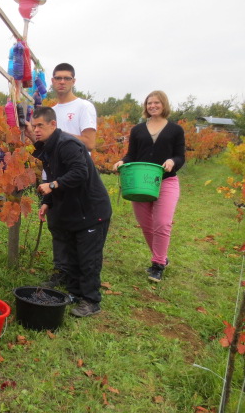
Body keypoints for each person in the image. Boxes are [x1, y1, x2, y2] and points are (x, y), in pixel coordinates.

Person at [26, 107, 111, 317]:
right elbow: (54, 173)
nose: (36, 130)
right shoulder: (49, 147)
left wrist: (53, 186)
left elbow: (80, 172)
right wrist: (47, 201)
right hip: (74, 209)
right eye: (33, 126)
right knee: (72, 253)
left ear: (53, 124)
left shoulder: (67, 144)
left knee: (88, 258)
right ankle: (74, 293)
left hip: (91, 210)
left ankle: (91, 301)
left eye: (40, 126)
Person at [113, 91, 185, 282]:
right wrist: (122, 162)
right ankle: (161, 256)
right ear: (146, 106)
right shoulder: (137, 130)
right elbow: (132, 156)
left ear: (164, 105)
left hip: (166, 181)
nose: (153, 106)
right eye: (149, 103)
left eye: (156, 103)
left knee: (162, 223)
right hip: (140, 182)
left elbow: (180, 156)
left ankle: (158, 264)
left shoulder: (175, 130)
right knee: (146, 224)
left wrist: (172, 161)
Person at [43, 63, 98, 288]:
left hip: (75, 176)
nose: (62, 82)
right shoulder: (51, 110)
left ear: (74, 81)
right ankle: (62, 271)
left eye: (66, 78)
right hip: (52, 174)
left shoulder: (84, 107)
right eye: (58, 78)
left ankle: (77, 276)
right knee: (57, 225)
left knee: (76, 226)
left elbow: (89, 142)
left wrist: (57, 135)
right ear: (53, 81)